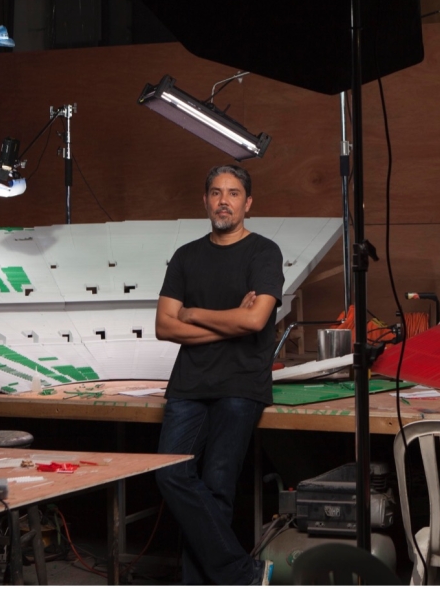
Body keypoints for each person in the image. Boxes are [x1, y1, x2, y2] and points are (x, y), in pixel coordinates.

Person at [154, 164, 284, 585]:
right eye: (215, 192)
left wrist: (194, 314)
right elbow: (164, 327)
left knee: (218, 486)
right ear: (205, 200)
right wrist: (228, 322)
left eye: (232, 193)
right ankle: (240, 572)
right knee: (170, 472)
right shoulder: (187, 256)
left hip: (241, 384)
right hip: (189, 384)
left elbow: (254, 322)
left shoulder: (264, 252)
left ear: (248, 203)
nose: (223, 200)